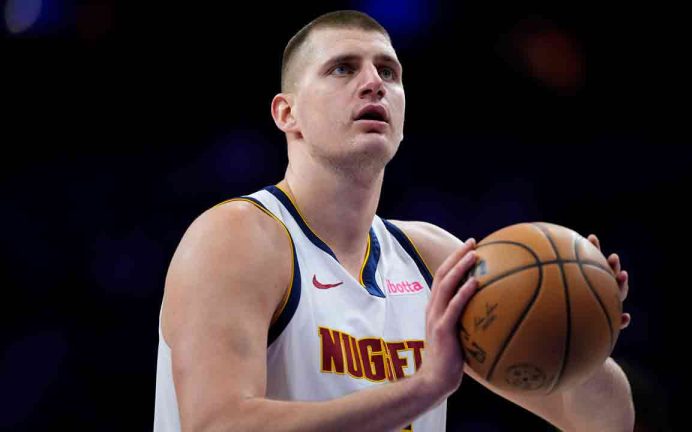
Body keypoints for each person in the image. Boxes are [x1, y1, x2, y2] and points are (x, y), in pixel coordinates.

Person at [154, 10, 634, 432]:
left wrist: (585, 324)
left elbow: (605, 421)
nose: (373, 83)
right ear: (287, 113)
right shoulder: (238, 237)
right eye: (343, 68)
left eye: (389, 71)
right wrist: (423, 388)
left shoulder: (430, 258)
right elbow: (217, 425)